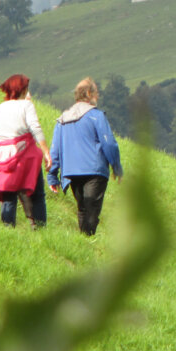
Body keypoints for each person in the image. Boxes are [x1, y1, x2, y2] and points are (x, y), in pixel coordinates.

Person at [47, 77, 122, 235]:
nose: (98, 96)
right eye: (96, 92)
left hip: (71, 171)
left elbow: (55, 149)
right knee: (92, 207)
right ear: (89, 93)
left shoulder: (63, 119)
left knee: (82, 207)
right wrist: (116, 166)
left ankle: (84, 238)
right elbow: (109, 143)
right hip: (94, 170)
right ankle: (88, 237)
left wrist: (52, 175)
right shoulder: (96, 116)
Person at [0, 74, 51, 229]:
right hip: (25, 155)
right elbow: (35, 128)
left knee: (8, 194)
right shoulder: (26, 106)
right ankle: (40, 228)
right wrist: (45, 151)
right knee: (37, 194)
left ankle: (7, 228)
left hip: (4, 155)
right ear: (23, 89)